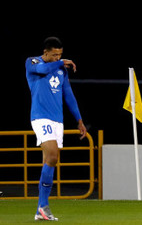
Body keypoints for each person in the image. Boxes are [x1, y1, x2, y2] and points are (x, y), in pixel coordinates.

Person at [25, 37, 87, 221]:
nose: (58, 58)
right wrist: (60, 62)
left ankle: (40, 210)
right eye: (54, 55)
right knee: (52, 155)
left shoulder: (60, 70)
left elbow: (68, 94)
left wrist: (79, 119)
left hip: (57, 121)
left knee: (50, 161)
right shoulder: (32, 61)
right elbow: (43, 69)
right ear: (45, 52)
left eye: (60, 54)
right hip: (40, 116)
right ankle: (43, 205)